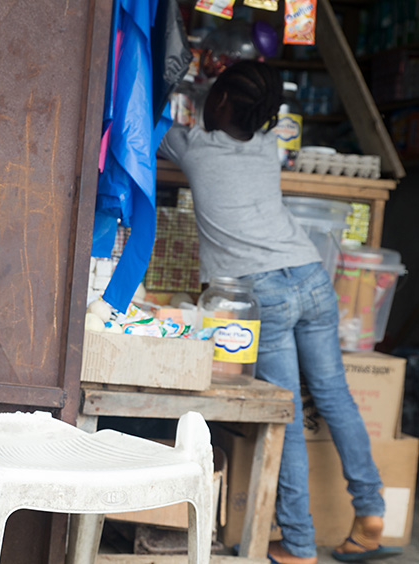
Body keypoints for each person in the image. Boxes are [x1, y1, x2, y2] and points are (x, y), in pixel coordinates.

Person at [158, 60, 400, 564]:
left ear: (219, 102)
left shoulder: (193, 148)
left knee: (283, 414)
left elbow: (152, 119)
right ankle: (372, 517)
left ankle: (298, 543)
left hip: (262, 292)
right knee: (336, 396)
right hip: (311, 274)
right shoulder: (270, 146)